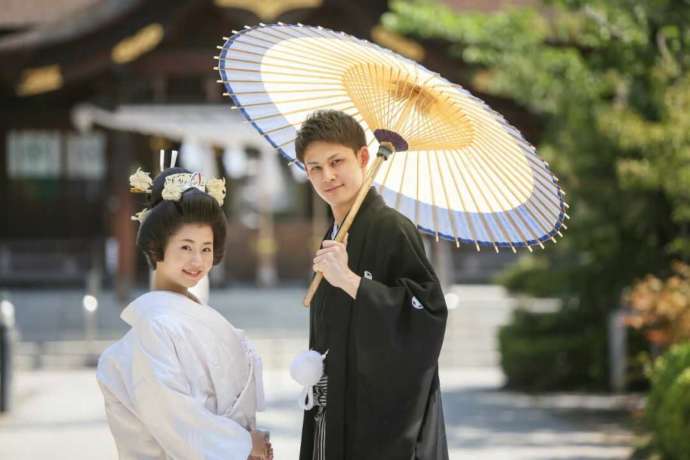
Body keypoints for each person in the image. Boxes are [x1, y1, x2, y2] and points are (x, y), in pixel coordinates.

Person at [296, 110, 449, 460]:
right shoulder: (333, 237)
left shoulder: (392, 228)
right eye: (315, 167)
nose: (327, 176)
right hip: (331, 407)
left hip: (382, 418)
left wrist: (351, 282)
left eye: (337, 161)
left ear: (363, 158)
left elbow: (429, 312)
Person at [96, 162, 272, 460]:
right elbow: (174, 417)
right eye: (186, 247)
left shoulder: (189, 315)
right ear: (157, 248)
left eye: (206, 249)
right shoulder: (154, 326)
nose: (197, 260)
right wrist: (243, 444)